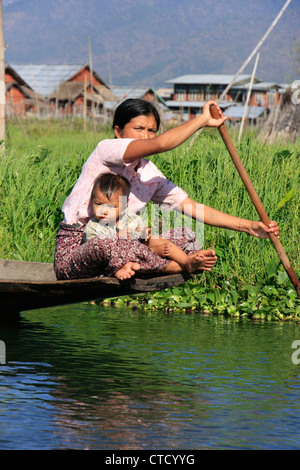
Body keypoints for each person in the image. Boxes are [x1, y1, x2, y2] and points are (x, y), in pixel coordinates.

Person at [54, 99, 280, 280]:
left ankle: (171, 262)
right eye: (139, 128)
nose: (146, 136)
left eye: (152, 130)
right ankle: (173, 267)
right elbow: (161, 144)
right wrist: (201, 120)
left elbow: (194, 208)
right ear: (118, 131)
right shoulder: (106, 151)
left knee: (186, 238)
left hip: (127, 246)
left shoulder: (150, 175)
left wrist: (249, 226)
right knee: (109, 245)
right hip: (80, 248)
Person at [82, 173, 214, 280]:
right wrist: (117, 239)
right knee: (135, 253)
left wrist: (145, 234)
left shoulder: (129, 217)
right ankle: (164, 260)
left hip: (138, 249)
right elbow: (96, 251)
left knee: (157, 240)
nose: (104, 211)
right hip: (118, 259)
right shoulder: (93, 227)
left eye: (111, 206)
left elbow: (140, 232)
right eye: (98, 204)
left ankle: (187, 261)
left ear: (123, 206)